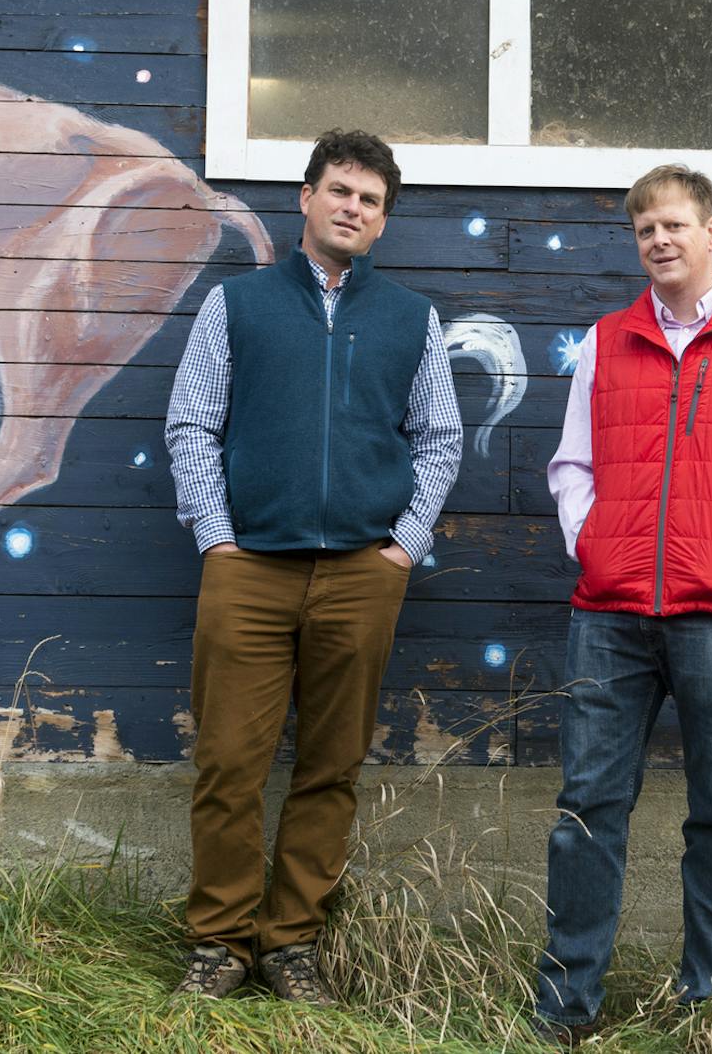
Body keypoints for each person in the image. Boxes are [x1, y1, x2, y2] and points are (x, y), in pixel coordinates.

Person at [163, 129, 462, 1004]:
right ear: (306, 197)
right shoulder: (237, 305)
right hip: (249, 569)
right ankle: (220, 944)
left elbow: (440, 439)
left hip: (362, 574)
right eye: (339, 190)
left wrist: (402, 548)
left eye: (369, 200)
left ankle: (291, 944)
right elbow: (192, 424)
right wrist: (217, 538)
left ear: (382, 220)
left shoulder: (410, 318)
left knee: (331, 768)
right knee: (229, 763)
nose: (351, 208)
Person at [535, 164, 712, 1040]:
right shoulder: (605, 340)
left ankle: (709, 1003)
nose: (659, 240)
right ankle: (566, 1006)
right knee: (588, 808)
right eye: (645, 230)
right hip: (610, 614)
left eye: (673, 225)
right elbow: (571, 463)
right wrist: (593, 540)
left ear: (711, 231)